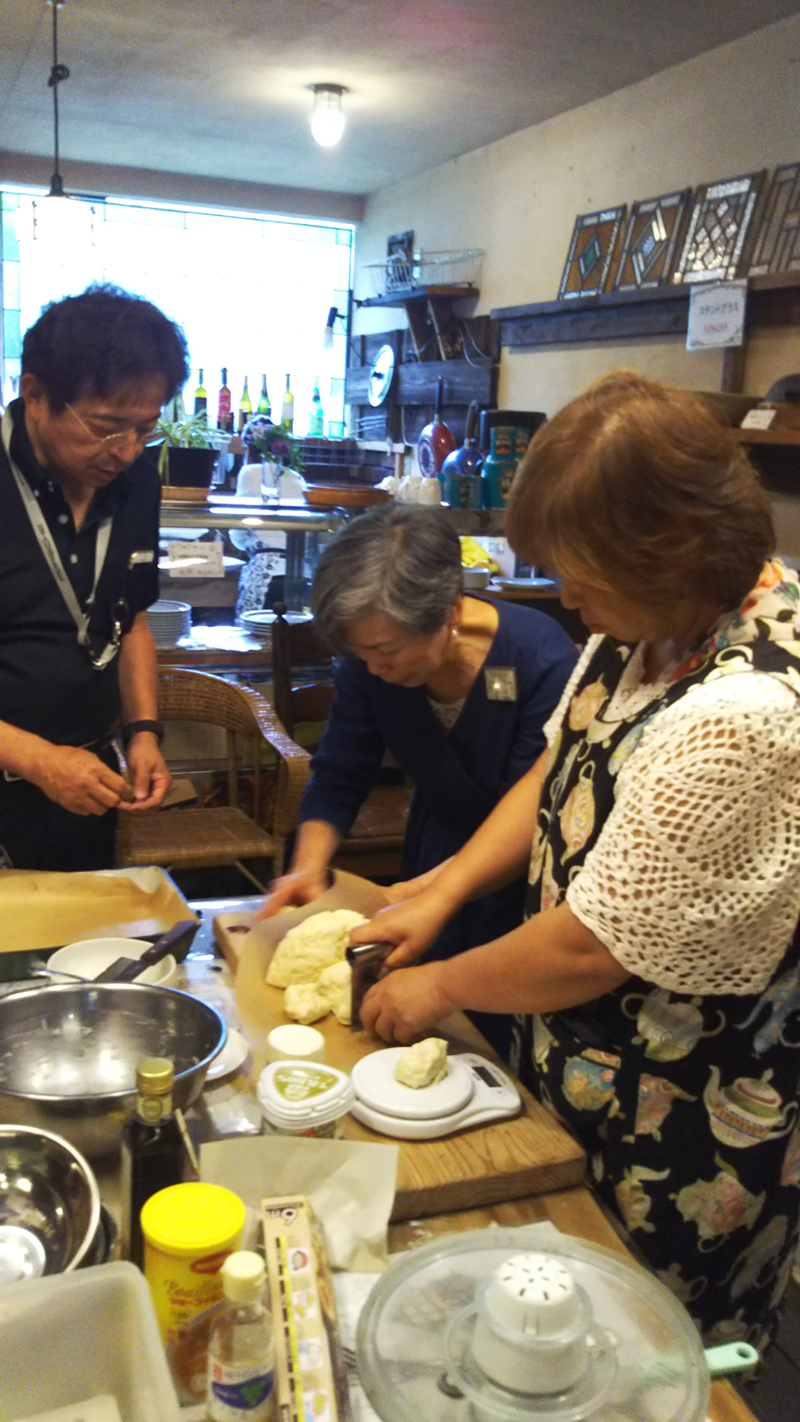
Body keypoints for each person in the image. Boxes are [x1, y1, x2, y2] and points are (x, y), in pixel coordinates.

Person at [350, 372, 800, 1352]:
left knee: (645, 1343)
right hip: (592, 1056)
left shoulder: (745, 713)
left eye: (577, 571)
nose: (561, 596)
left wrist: (434, 987)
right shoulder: (641, 626)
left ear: (668, 547)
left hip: (687, 1100)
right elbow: (564, 763)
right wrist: (445, 888)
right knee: (549, 1308)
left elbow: (594, 946)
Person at [261, 502, 577, 1056]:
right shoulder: (368, 658)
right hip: (432, 848)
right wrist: (308, 868)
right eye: (358, 654)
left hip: (521, 871)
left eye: (385, 651)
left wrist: (429, 896)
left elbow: (531, 808)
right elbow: (340, 769)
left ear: (450, 611)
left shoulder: (539, 659)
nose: (372, 667)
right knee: (414, 1025)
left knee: (493, 1038)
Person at [0, 283, 189, 870]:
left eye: (146, 428)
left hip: (83, 783)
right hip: (30, 769)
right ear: (34, 395)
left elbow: (127, 620)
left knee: (76, 952)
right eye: (107, 426)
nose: (128, 450)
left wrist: (144, 734)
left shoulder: (135, 485)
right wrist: (36, 759)